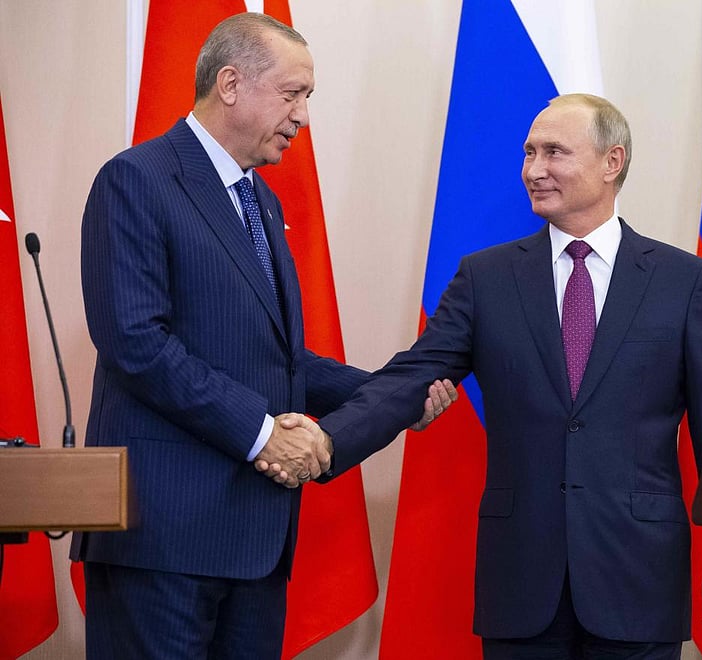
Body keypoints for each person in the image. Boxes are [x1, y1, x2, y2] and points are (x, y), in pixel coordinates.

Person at [262, 93, 702, 658]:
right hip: (523, 582)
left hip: (638, 578)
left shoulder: (682, 280)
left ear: (611, 163)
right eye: (528, 153)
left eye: (554, 152)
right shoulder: (486, 278)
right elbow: (411, 377)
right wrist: (327, 442)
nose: (534, 170)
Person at [72, 12, 454, 659]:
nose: (303, 114)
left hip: (253, 541)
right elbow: (138, 343)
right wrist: (263, 432)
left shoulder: (262, 202)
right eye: (292, 93)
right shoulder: (136, 180)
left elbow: (280, 361)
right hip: (163, 538)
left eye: (308, 97)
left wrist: (393, 397)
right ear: (230, 84)